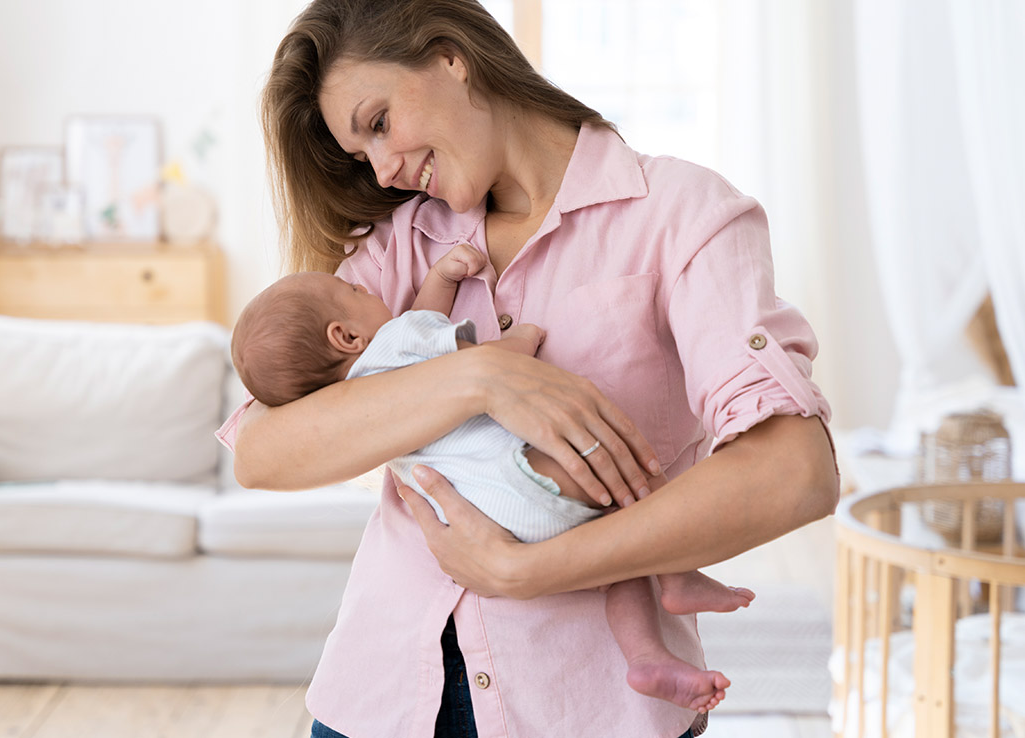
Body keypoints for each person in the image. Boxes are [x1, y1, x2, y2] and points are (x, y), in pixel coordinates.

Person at [218, 1, 840, 736]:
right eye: (362, 158)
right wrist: (480, 378)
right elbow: (262, 452)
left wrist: (530, 571)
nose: (383, 171)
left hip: (590, 710)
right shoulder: (401, 246)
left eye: (379, 121)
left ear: (451, 56)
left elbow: (796, 473)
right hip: (382, 699)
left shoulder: (680, 215)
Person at [230, 246, 757, 714]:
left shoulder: (358, 393)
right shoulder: (395, 340)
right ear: (344, 335)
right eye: (352, 290)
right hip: (523, 478)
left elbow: (420, 323)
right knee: (630, 478)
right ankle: (674, 581)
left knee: (619, 555)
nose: (361, 284)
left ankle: (648, 659)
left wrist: (439, 275)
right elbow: (481, 361)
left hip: (484, 514)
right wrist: (523, 339)